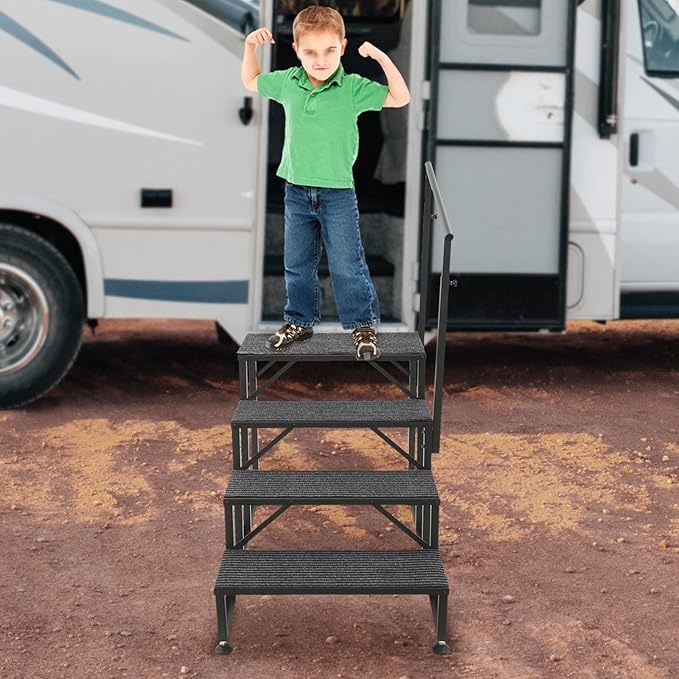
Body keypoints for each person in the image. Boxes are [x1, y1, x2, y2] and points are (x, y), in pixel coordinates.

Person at [241, 5, 410, 360]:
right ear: (296, 51)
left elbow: (401, 97)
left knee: (347, 263)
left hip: (338, 193)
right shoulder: (288, 82)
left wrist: (381, 57)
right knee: (297, 263)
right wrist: (249, 47)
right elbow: (251, 81)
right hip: (296, 191)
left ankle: (362, 325)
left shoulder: (352, 88)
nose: (320, 60)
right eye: (311, 52)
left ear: (343, 47)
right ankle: (299, 321)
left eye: (329, 50)